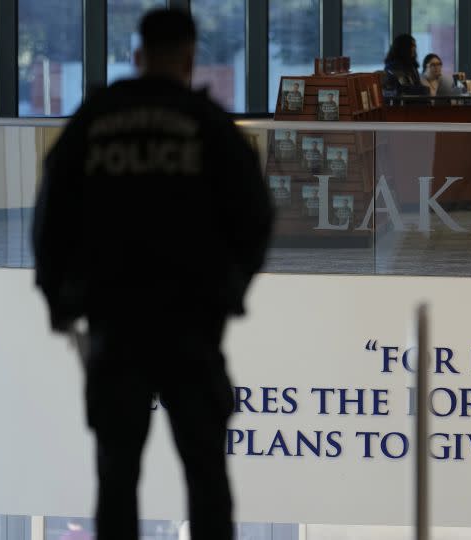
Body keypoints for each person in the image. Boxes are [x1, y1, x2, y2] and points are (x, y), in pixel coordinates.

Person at [32, 9, 274, 540]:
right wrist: (230, 291)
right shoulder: (209, 124)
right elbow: (256, 216)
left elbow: (51, 214)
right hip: (192, 322)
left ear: (137, 58)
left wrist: (58, 298)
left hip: (114, 321)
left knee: (116, 476)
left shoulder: (95, 121)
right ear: (190, 60)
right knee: (207, 475)